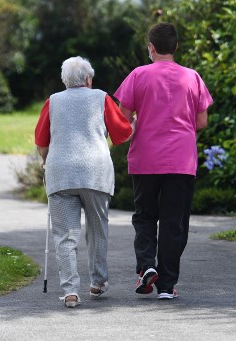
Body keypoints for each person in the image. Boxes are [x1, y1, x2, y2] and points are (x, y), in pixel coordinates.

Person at [114, 23, 213, 300]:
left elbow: (123, 118)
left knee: (145, 216)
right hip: (181, 161)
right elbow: (202, 121)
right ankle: (167, 286)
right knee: (173, 222)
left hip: (145, 158)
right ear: (176, 47)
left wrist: (140, 120)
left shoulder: (138, 75)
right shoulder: (192, 77)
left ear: (151, 47)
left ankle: (147, 266)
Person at [35, 56, 134, 307]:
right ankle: (97, 282)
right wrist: (135, 121)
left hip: (61, 173)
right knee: (97, 229)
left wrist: (45, 159)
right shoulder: (101, 97)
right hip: (95, 173)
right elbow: (122, 133)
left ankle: (70, 291)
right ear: (88, 79)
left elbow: (41, 141)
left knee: (65, 235)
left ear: (64, 80)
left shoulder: (53, 101)